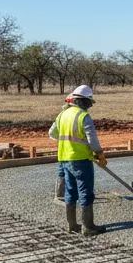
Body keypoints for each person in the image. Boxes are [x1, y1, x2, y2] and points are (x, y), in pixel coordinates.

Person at [49, 85, 107, 236]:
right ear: (84, 101)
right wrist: (99, 154)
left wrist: (68, 141)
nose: (90, 106)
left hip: (65, 159)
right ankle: (88, 227)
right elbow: (92, 139)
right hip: (81, 160)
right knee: (86, 192)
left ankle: (72, 225)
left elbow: (53, 133)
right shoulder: (83, 116)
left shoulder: (63, 114)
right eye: (89, 102)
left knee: (70, 191)